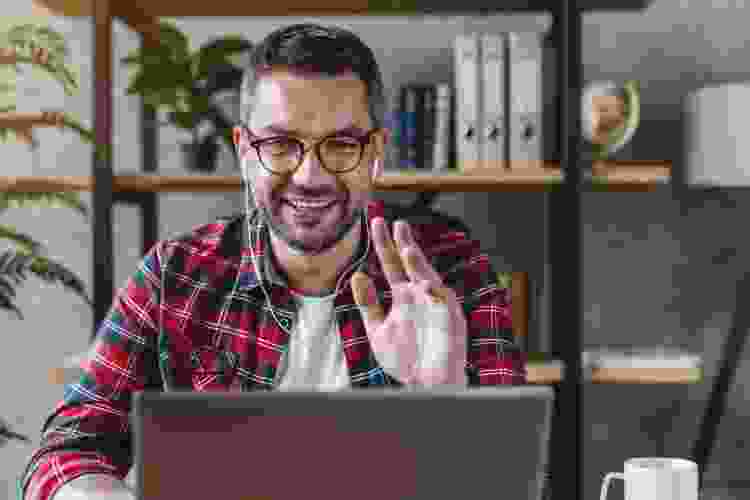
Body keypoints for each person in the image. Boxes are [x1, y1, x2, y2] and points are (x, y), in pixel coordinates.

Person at [19, 23, 526, 500]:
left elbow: (512, 483)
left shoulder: (452, 274)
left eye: (342, 144)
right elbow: (65, 453)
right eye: (281, 144)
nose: (310, 176)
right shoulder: (174, 275)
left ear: (376, 152)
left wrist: (442, 398)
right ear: (243, 149)